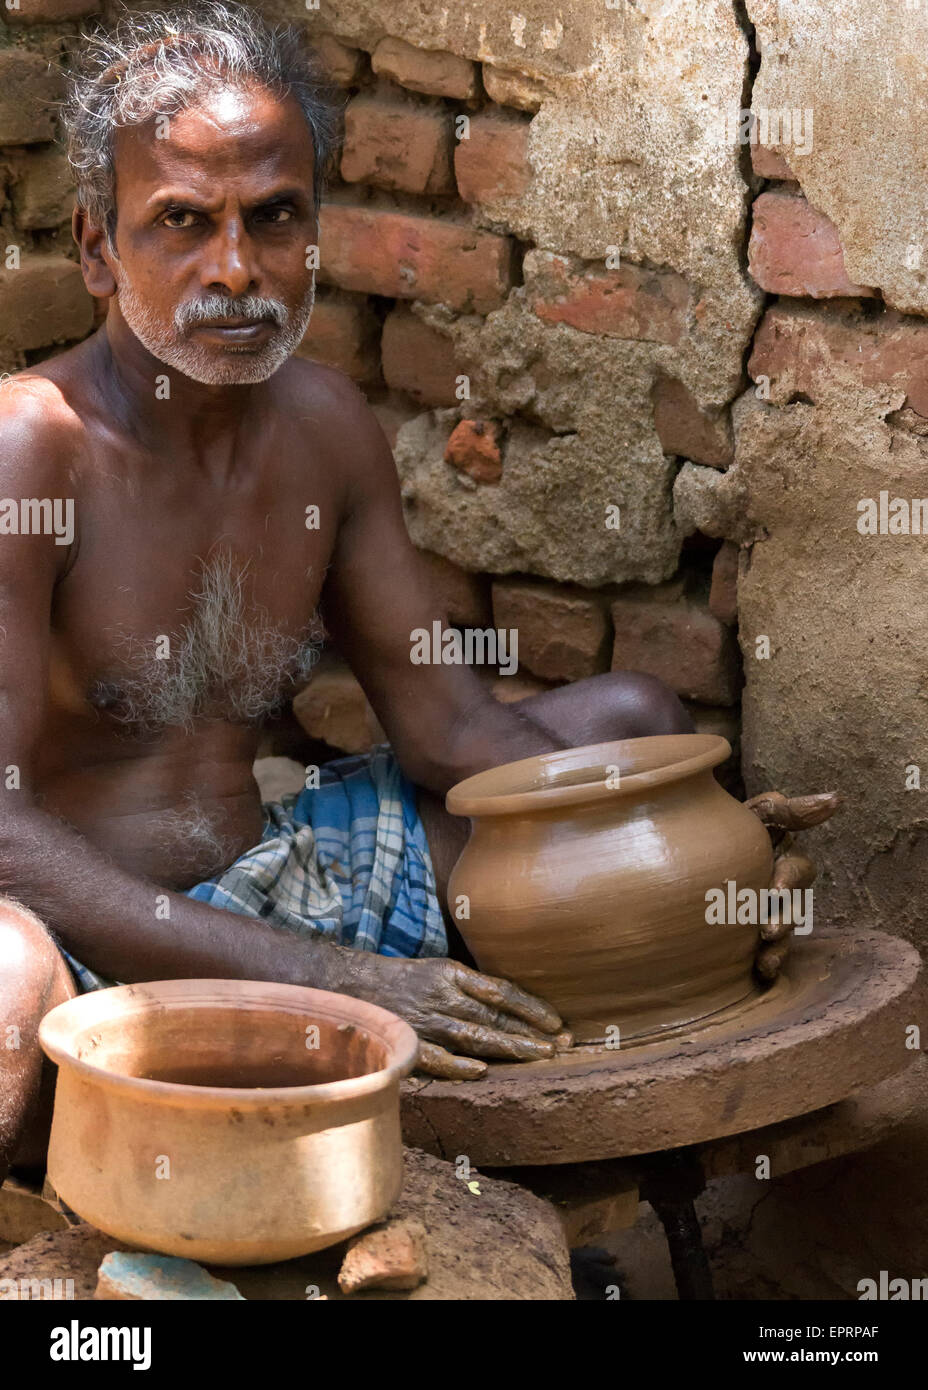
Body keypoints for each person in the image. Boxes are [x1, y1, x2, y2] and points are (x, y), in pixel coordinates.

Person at [0, 3, 837, 1179]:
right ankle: (106, 1222)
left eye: (273, 218)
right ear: (97, 248)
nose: (234, 269)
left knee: (635, 727)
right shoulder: (31, 450)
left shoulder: (322, 427)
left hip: (293, 881)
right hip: (106, 946)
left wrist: (695, 841)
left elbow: (455, 736)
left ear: (314, 232)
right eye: (181, 223)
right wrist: (331, 979)